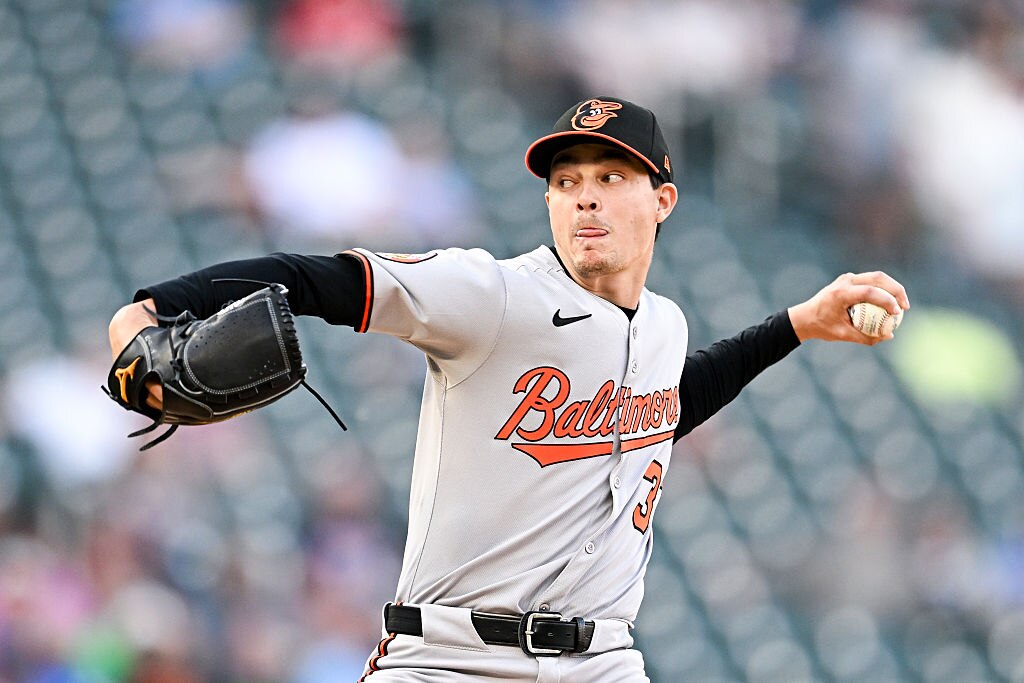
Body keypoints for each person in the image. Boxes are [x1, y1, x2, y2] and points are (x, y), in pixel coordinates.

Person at [108, 96, 910, 682]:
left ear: (661, 201)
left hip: (602, 661)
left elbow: (667, 404)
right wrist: (149, 307)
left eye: (609, 175)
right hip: (448, 659)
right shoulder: (488, 293)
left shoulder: (661, 323)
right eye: (566, 180)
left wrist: (797, 324)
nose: (584, 194)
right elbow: (310, 277)